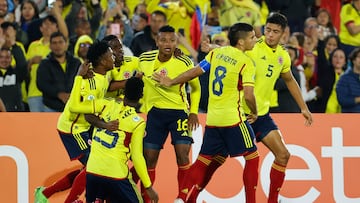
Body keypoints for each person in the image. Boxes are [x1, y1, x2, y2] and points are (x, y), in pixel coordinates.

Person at [153, 22, 260, 203]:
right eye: (252, 37)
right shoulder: (247, 62)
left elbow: (195, 71)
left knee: (206, 160)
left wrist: (172, 82)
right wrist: (255, 112)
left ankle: (182, 198)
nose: (256, 40)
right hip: (233, 119)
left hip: (213, 119)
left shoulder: (216, 53)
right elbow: (249, 95)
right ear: (241, 42)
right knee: (253, 157)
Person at [34, 40, 117, 203]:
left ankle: (45, 194)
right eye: (111, 54)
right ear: (102, 60)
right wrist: (105, 124)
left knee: (89, 168)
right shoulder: (90, 81)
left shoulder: (102, 75)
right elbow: (79, 109)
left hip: (83, 128)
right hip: (73, 129)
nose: (114, 56)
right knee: (93, 167)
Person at [136, 25, 201, 202]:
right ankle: (147, 199)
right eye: (163, 40)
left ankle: (182, 197)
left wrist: (193, 112)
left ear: (176, 42)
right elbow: (130, 70)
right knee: (149, 159)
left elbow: (196, 88)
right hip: (154, 115)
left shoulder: (184, 61)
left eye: (172, 40)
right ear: (157, 41)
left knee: (182, 154)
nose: (168, 43)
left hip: (179, 113)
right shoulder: (144, 59)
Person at [84, 76, 159, 202]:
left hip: (92, 170)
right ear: (141, 95)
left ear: (124, 90)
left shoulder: (106, 105)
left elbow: (86, 113)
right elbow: (137, 157)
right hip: (116, 175)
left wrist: (103, 124)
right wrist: (149, 187)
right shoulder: (137, 122)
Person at [36, 31, 82, 112]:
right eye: (54, 43)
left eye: (60, 42)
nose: (58, 46)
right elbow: (42, 84)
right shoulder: (45, 64)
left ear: (66, 44)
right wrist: (59, 94)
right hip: (50, 107)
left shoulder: (76, 62)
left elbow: (83, 81)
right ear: (50, 46)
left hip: (73, 106)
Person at [336, 47, 360, 113]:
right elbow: (342, 100)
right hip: (349, 118)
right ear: (353, 60)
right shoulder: (344, 78)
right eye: (359, 57)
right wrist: (358, 99)